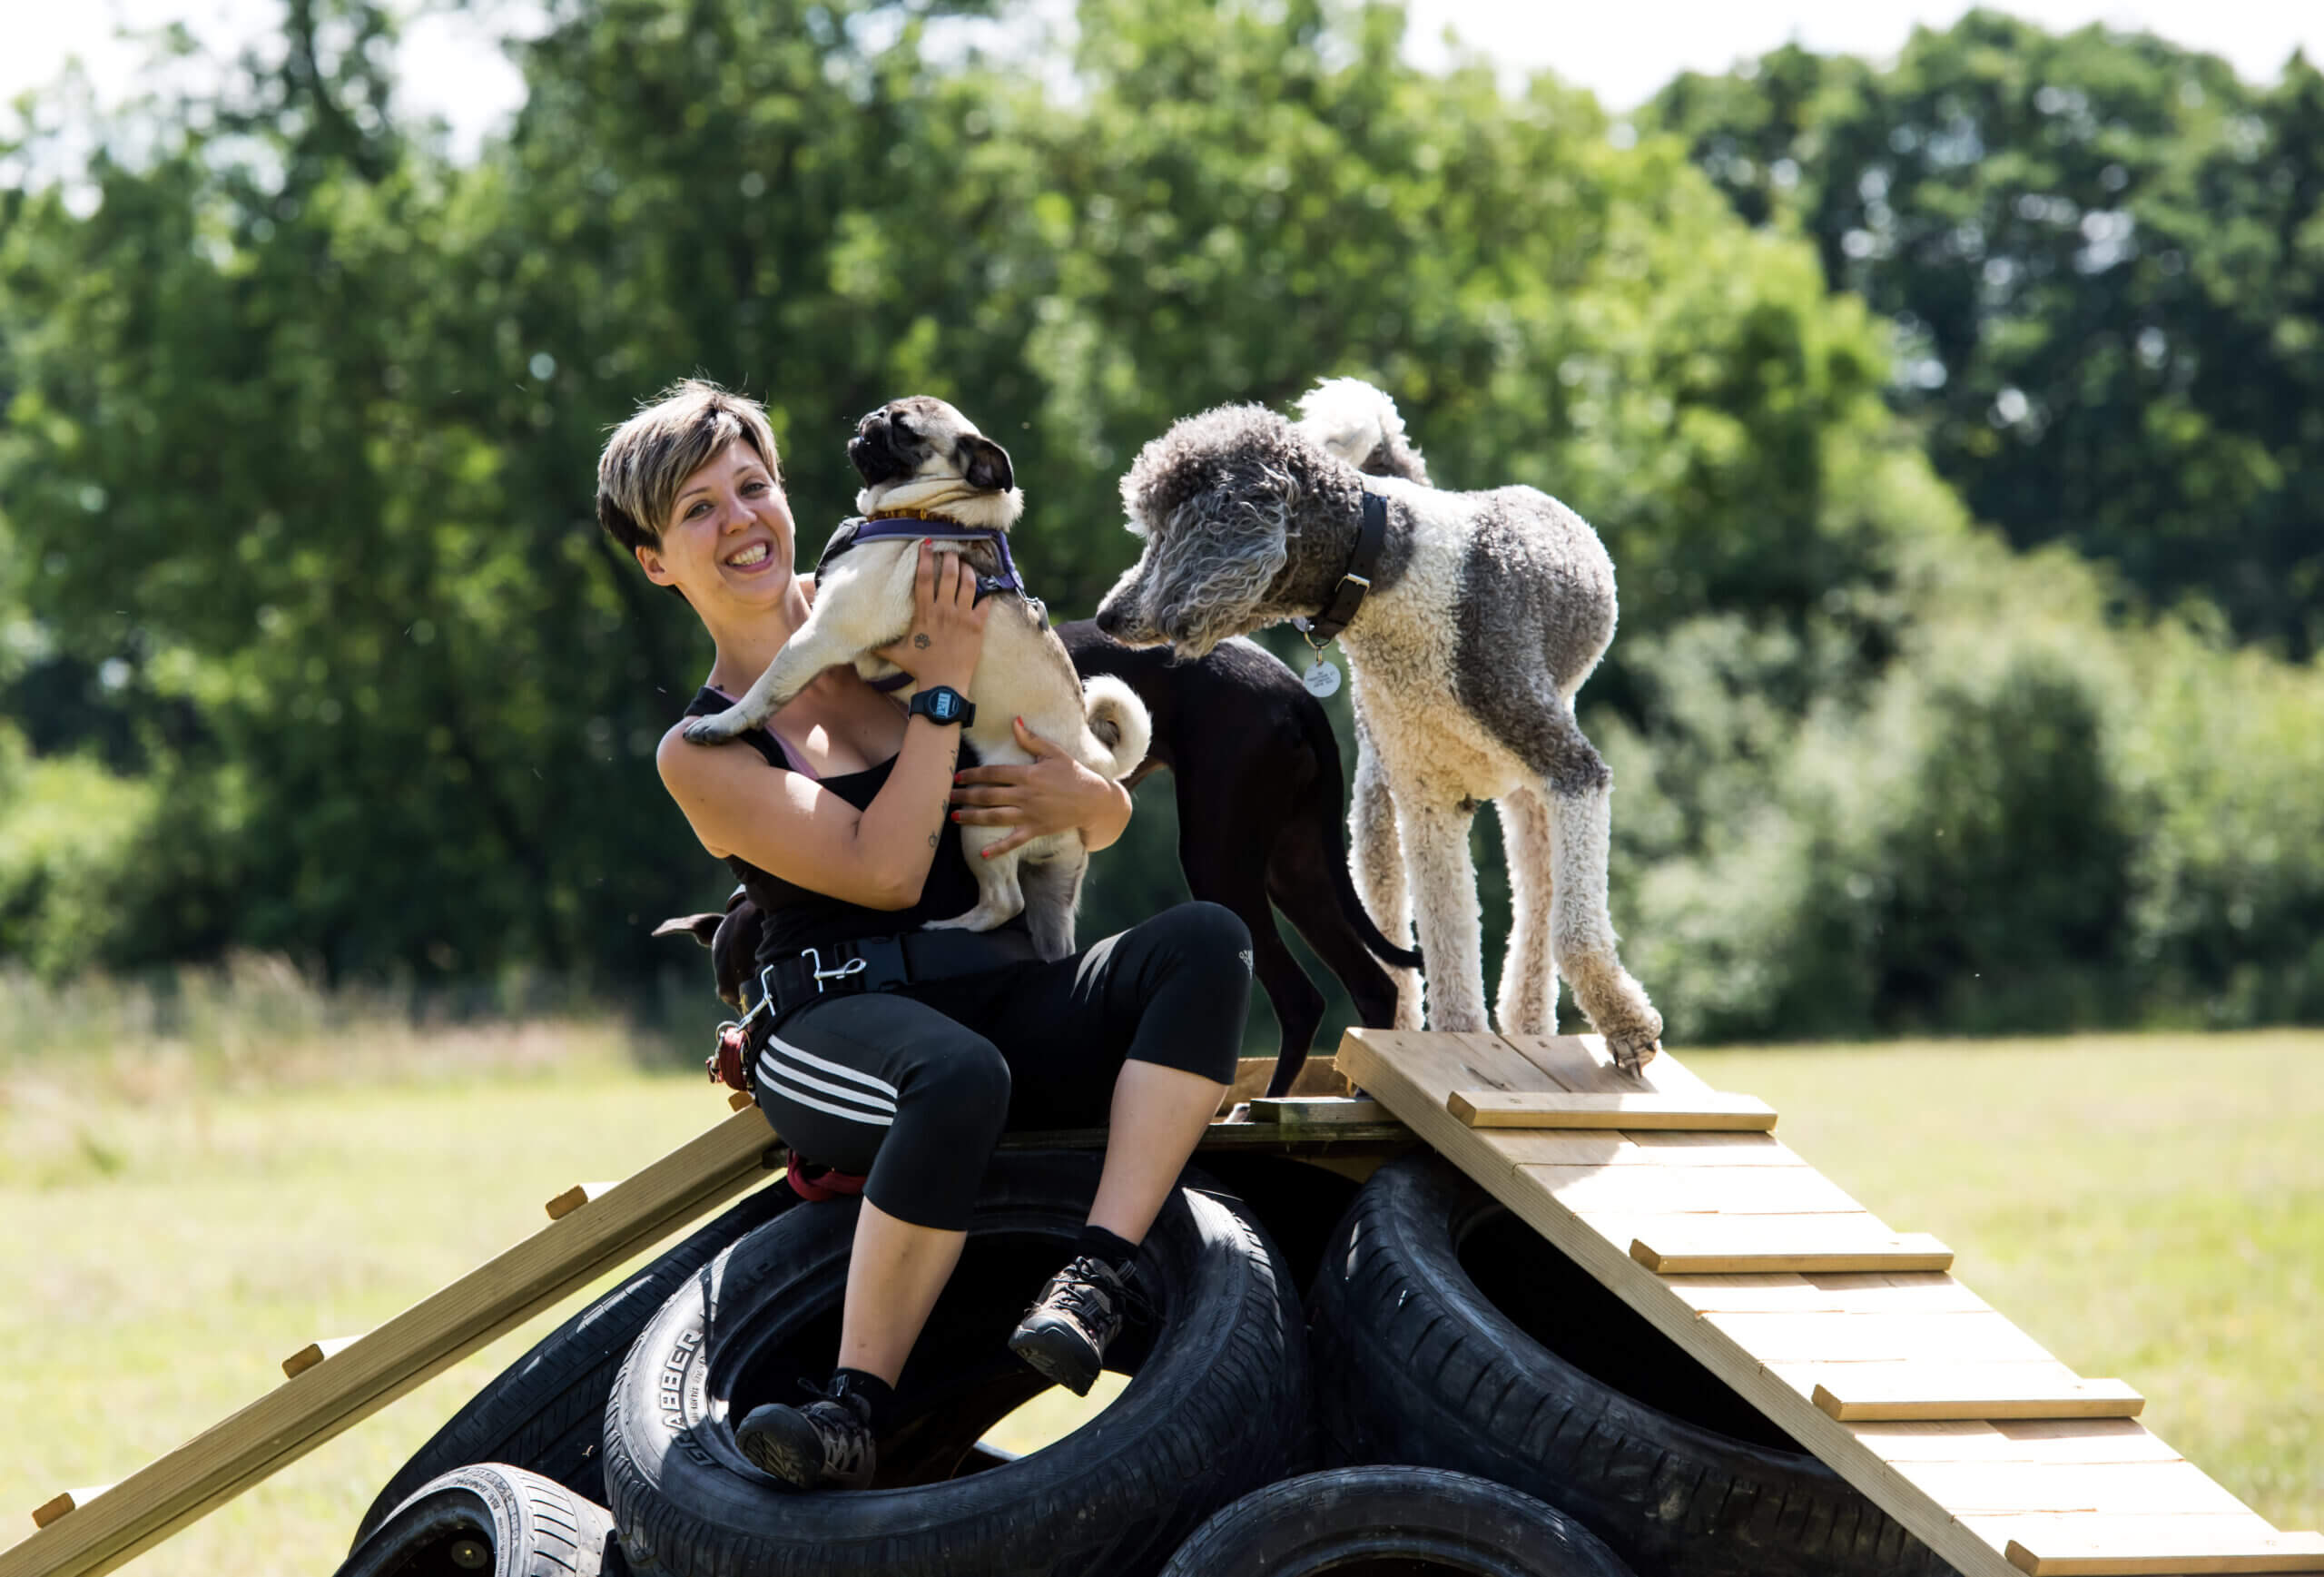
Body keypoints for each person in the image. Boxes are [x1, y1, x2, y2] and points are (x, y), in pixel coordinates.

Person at [595, 380, 1247, 1493]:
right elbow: (888, 871)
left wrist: (1080, 805)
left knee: (1205, 944)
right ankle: (851, 1408)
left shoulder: (908, 595)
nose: (740, 520)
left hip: (990, 990)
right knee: (954, 1074)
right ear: (657, 560)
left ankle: (1097, 1276)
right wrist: (940, 696)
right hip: (837, 1025)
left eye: (752, 487)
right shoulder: (701, 750)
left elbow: (1100, 804)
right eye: (698, 510)